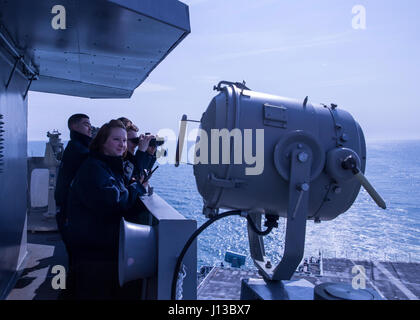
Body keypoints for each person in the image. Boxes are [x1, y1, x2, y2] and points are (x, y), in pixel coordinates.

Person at [66, 119, 147, 299]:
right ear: (103, 142)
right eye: (116, 140)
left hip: (98, 245)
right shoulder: (95, 168)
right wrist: (136, 188)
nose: (122, 145)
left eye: (124, 140)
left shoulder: (106, 165)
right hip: (93, 250)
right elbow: (115, 201)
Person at [54, 113, 92, 297]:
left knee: (74, 260)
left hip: (65, 210)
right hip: (70, 214)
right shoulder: (80, 150)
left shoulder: (75, 147)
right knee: (77, 262)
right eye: (85, 124)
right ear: (74, 127)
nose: (90, 128)